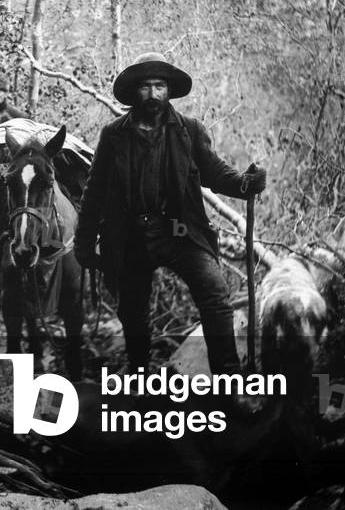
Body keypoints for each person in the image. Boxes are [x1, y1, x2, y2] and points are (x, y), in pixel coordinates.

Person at [74, 52, 266, 376]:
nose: (153, 94)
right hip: (130, 237)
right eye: (146, 86)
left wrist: (245, 184)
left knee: (215, 292)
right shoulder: (113, 135)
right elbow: (94, 192)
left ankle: (229, 376)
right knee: (132, 312)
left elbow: (215, 172)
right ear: (136, 91)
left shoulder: (189, 131)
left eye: (159, 86)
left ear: (169, 90)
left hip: (181, 232)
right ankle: (138, 374)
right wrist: (83, 242)